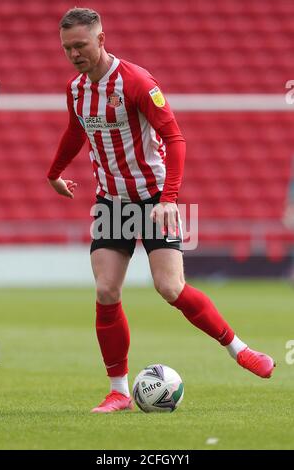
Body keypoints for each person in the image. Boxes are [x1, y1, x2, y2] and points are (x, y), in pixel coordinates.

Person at [47, 8, 275, 413]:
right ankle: (119, 390)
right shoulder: (77, 89)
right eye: (67, 48)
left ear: (101, 39)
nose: (74, 54)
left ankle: (240, 350)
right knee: (105, 290)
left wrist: (169, 198)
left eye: (80, 45)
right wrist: (54, 172)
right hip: (111, 202)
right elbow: (74, 130)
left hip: (155, 199)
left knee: (170, 288)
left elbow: (175, 136)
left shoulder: (136, 81)